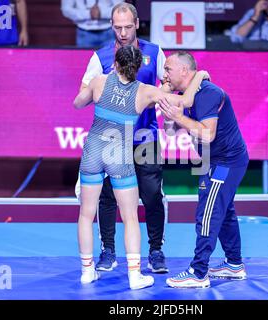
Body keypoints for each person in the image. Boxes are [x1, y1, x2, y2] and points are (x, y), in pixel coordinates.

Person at [73, 45, 208, 289]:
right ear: (138, 68)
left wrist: (93, 93)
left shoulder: (98, 81)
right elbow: (185, 99)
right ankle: (135, 276)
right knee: (131, 216)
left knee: (86, 214)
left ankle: (86, 272)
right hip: (119, 155)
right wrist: (199, 74)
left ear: (115, 64)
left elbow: (77, 103)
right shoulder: (144, 92)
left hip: (93, 150)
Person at [74, 2, 169, 274]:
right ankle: (108, 251)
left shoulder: (154, 52)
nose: (124, 32)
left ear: (137, 23)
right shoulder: (100, 58)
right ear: (111, 26)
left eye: (128, 26)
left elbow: (169, 83)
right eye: (118, 27)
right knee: (106, 198)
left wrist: (153, 101)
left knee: (151, 195)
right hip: (111, 142)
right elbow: (84, 91)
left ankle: (156, 250)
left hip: (145, 138)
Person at [159, 51, 249, 288]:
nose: (164, 74)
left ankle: (198, 273)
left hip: (226, 161)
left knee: (208, 213)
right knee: (225, 211)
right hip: (211, 160)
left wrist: (179, 115)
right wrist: (169, 105)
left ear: (185, 72)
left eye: (168, 69)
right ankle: (234, 265)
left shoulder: (209, 93)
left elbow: (207, 134)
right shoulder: (183, 96)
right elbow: (170, 131)